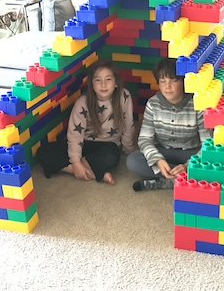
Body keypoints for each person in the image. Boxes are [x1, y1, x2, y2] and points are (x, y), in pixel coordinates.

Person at [36, 59, 136, 184]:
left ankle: (78, 168)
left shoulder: (124, 96)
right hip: (83, 144)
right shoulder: (83, 102)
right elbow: (75, 135)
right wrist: (76, 162)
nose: (103, 84)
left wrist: (128, 149)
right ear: (92, 84)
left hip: (107, 146)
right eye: (98, 80)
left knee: (112, 155)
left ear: (116, 83)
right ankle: (89, 172)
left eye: (108, 79)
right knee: (43, 152)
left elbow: (128, 125)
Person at [126, 58, 212, 191]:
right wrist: (158, 160)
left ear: (183, 82)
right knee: (133, 161)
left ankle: (169, 180)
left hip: (190, 152)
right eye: (163, 81)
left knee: (213, 163)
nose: (167, 86)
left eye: (173, 80)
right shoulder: (153, 104)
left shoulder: (197, 104)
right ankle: (182, 179)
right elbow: (144, 139)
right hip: (164, 151)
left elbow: (207, 143)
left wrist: (188, 165)